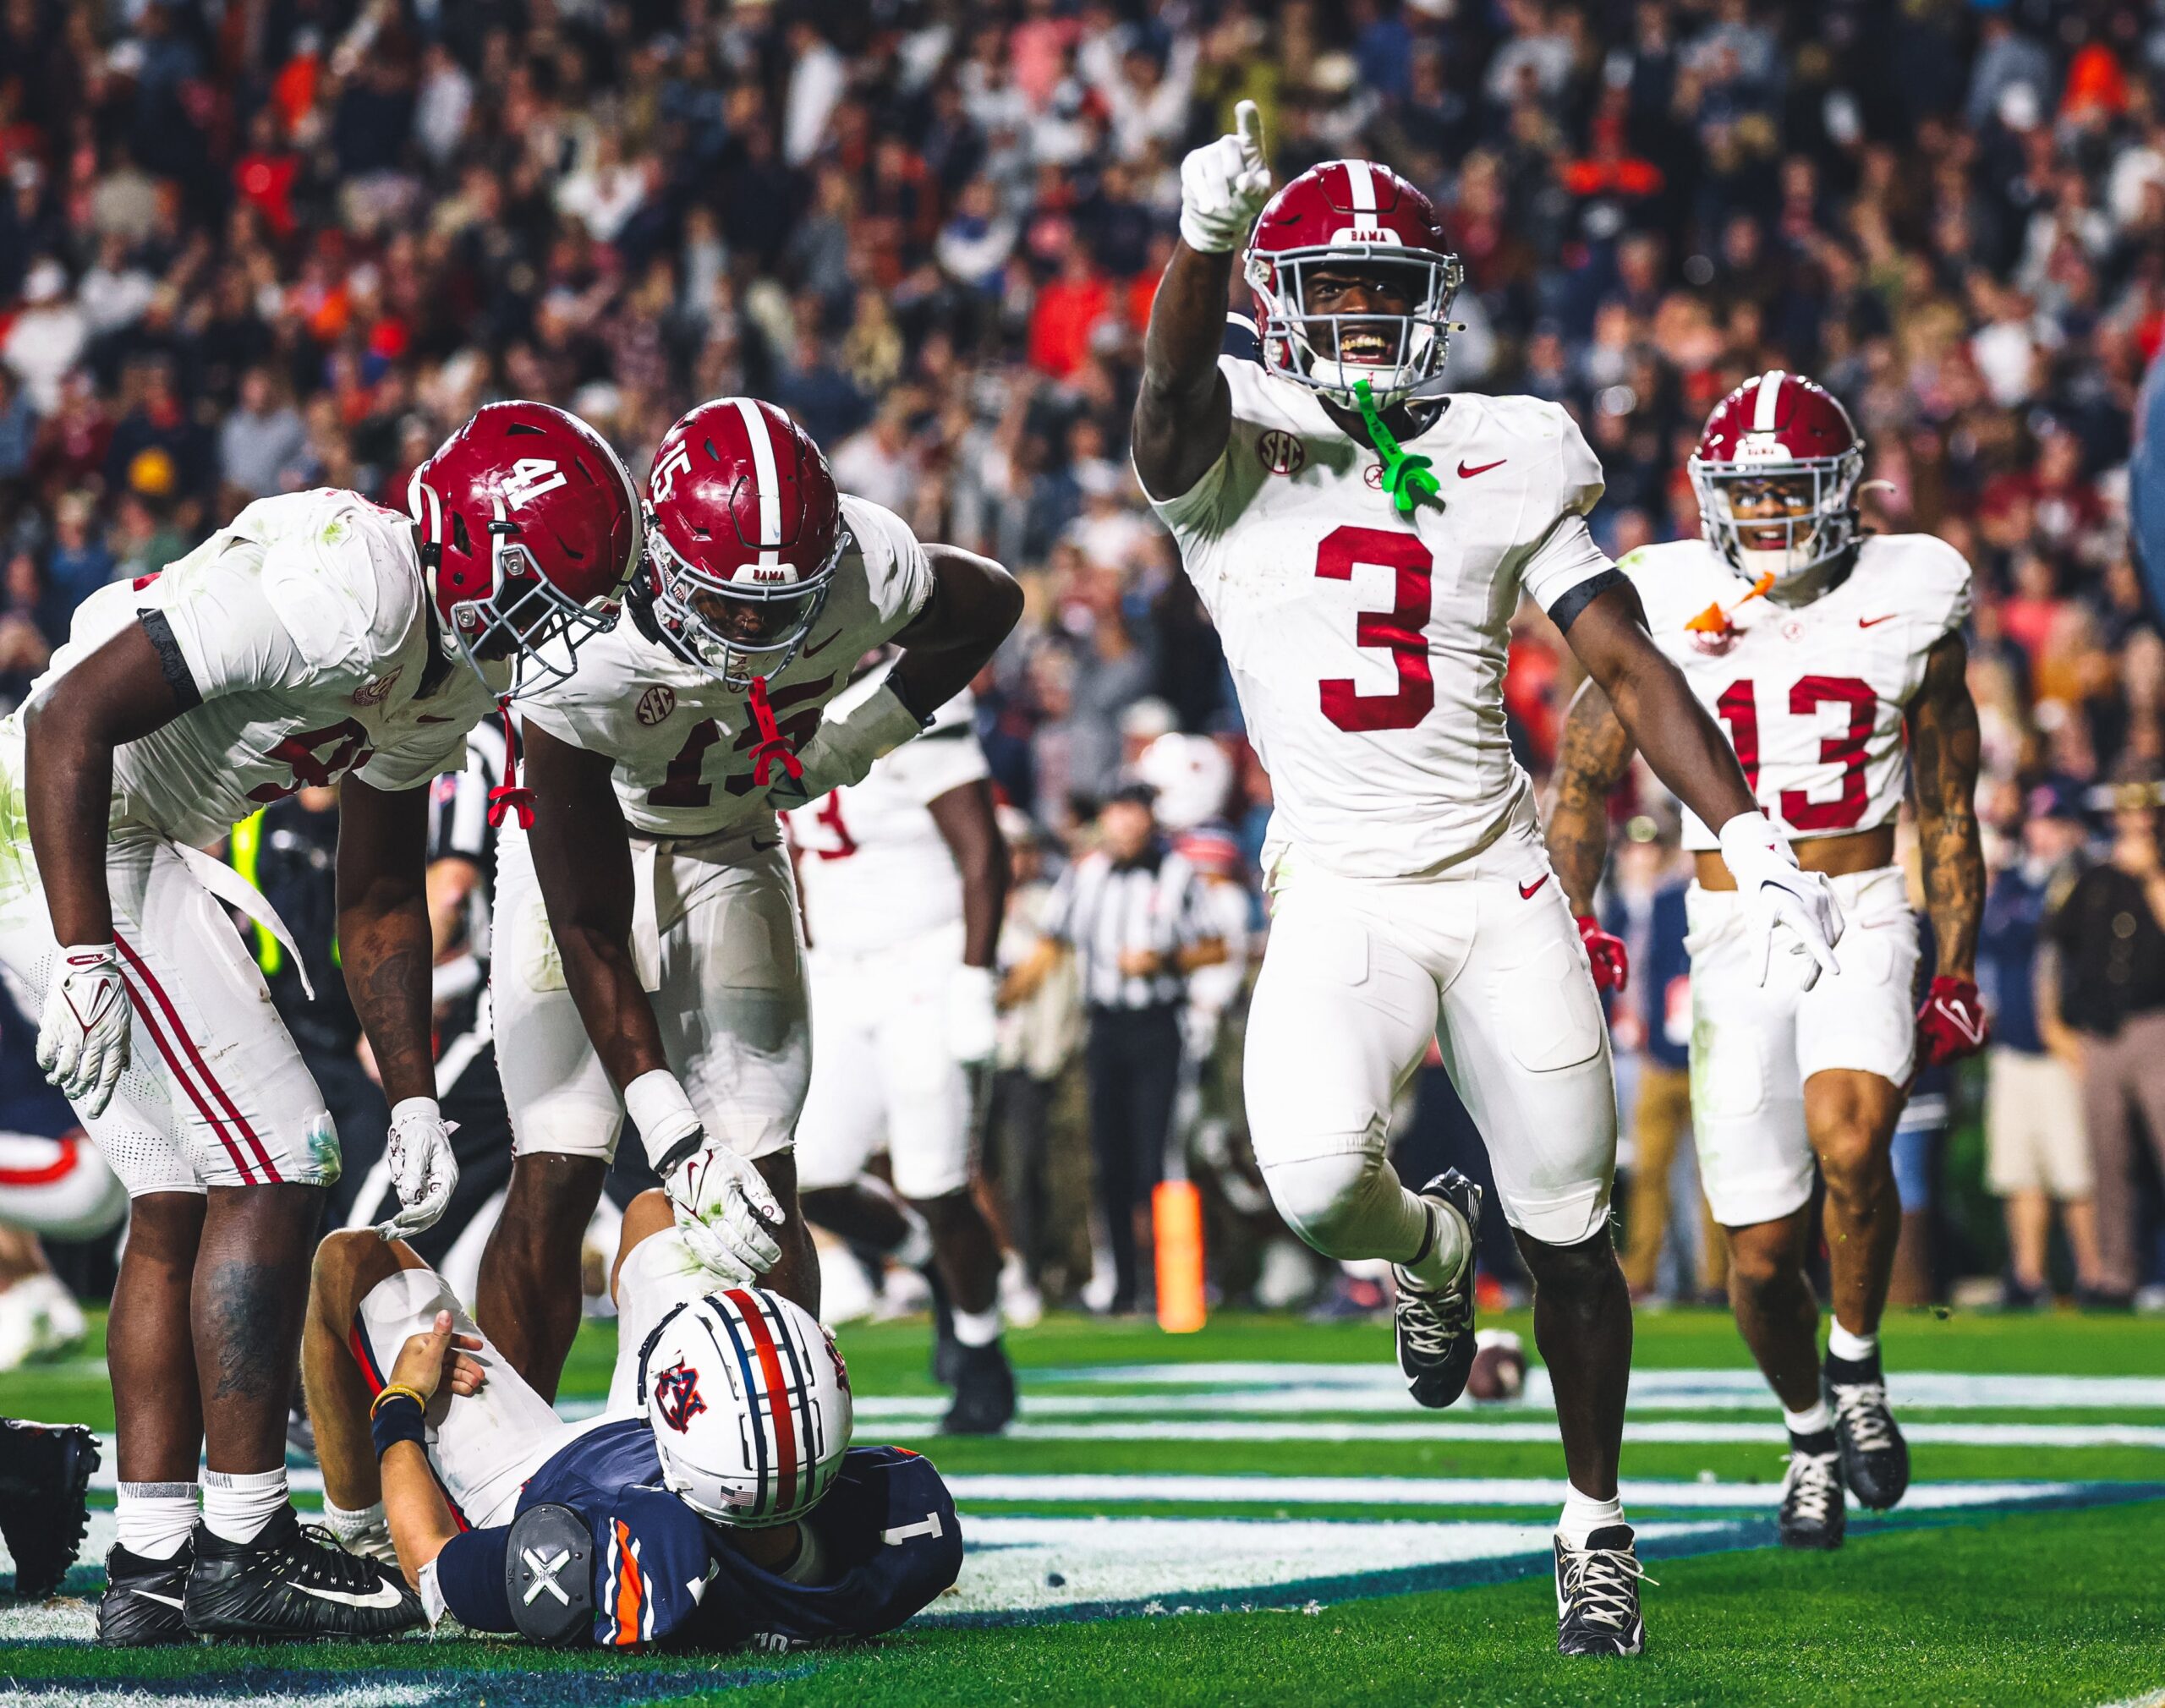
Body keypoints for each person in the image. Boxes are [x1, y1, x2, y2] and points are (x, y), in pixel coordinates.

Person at [1133, 115, 1840, 1656]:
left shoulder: (1511, 449)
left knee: (1574, 1227)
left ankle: (1595, 1528)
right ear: (1276, 303)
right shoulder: (1232, 445)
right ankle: (1434, 1252)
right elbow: (1172, 392)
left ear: (1435, 301)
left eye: (1388, 291)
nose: (1364, 319)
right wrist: (1197, 245)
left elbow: (1623, 659)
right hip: (1341, 884)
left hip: (1497, 878)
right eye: (1335, 291)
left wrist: (1746, 830)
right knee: (1317, 1181)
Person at [12, 401, 641, 1645]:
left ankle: (152, 1563)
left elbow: (381, 884)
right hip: (65, 823)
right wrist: (83, 949)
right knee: (280, 1157)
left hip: (120, 835)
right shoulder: (344, 583)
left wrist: (412, 1094)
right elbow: (64, 718)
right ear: (470, 540)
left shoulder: (445, 668)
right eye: (538, 596)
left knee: (180, 1196)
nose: (547, 633)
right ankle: (242, 1542)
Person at [478, 397, 1022, 1401]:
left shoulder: (867, 564)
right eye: (725, 602)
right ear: (660, 558)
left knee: (763, 1172)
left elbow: (990, 601)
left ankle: (789, 1439)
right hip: (592, 858)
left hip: (730, 842)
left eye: (779, 606)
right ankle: (501, 1455)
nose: (751, 629)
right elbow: (589, 923)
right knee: (560, 1160)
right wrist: (667, 1133)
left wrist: (856, 738)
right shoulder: (583, 643)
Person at [1548, 371, 1987, 1554]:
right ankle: (1807, 1431)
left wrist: (1955, 962)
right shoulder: (1665, 592)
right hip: (1730, 925)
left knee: (1853, 1137)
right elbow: (1583, 772)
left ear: (1842, 492)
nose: (1769, 514)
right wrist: (1574, 912)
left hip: (1860, 905)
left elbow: (1948, 805)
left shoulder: (1912, 588)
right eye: (1750, 493)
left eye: (1792, 491)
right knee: (1756, 1253)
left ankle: (1857, 1364)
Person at [300, 1194, 962, 1648]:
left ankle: (360, 1542)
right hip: (654, 1463)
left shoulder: (630, 1553)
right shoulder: (903, 1524)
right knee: (661, 1213)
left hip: (531, 1484)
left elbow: (432, 1561)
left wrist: (400, 1402)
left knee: (347, 1258)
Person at [782, 683, 1019, 1434]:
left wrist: (975, 977)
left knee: (935, 1181)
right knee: (808, 1174)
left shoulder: (910, 696)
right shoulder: (775, 693)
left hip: (925, 961)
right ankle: (934, 1269)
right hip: (837, 970)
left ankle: (981, 1348)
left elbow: (983, 851)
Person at [1007, 782, 1225, 1315]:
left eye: (1135, 812)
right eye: (1117, 812)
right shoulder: (1086, 875)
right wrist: (1005, 992)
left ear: (1150, 818)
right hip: (1104, 1027)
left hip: (1158, 1024)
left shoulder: (1178, 875)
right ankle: (1122, 1285)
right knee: (1109, 1159)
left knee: (1159, 1155)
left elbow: (1216, 946)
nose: (1126, 823)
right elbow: (1052, 943)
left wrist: (1163, 961)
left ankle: (1171, 1285)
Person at [1979, 782, 2100, 1305]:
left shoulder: (2084, 882)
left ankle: (2096, 1274)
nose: (2043, 834)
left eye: (2054, 823)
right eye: (2038, 822)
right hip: (2013, 1047)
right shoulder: (2010, 883)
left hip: (2064, 1051)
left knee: (2076, 1172)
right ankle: (2029, 1278)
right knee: (2019, 1170)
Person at [2045, 780, 2165, 1306]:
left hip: (2155, 1026)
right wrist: (2053, 1023)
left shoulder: (2155, 874)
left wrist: (2152, 875)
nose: (2135, 823)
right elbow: (2055, 947)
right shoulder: (2091, 877)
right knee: (2108, 1160)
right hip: (2099, 1033)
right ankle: (2117, 1275)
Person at [1603, 818, 1725, 1304]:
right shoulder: (1634, 906)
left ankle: (1717, 1278)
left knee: (1710, 1174)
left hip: (1703, 1052)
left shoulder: (1682, 900)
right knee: (1648, 1171)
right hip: (1653, 1053)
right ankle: (1642, 1274)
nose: (1644, 858)